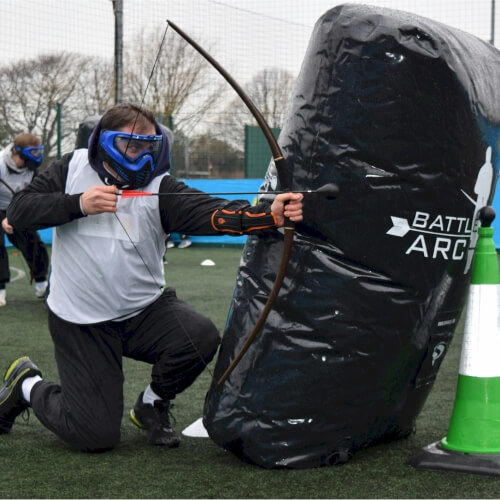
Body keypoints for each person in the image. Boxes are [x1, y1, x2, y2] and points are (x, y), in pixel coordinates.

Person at [0, 103, 303, 452]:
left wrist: (268, 215)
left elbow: (212, 212)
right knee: (94, 436)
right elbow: (20, 212)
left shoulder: (161, 186)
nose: (142, 156)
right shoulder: (72, 167)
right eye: (132, 145)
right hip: (80, 320)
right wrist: (78, 203)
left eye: (149, 147)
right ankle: (27, 384)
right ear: (107, 142)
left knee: (199, 337)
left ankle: (150, 403)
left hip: (143, 312)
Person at [0, 133, 49, 307]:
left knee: (33, 242)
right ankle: (0, 291)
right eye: (31, 154)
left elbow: (34, 193)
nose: (36, 158)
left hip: (17, 207)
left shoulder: (31, 168)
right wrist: (3, 220)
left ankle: (42, 285)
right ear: (16, 152)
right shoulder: (0, 165)